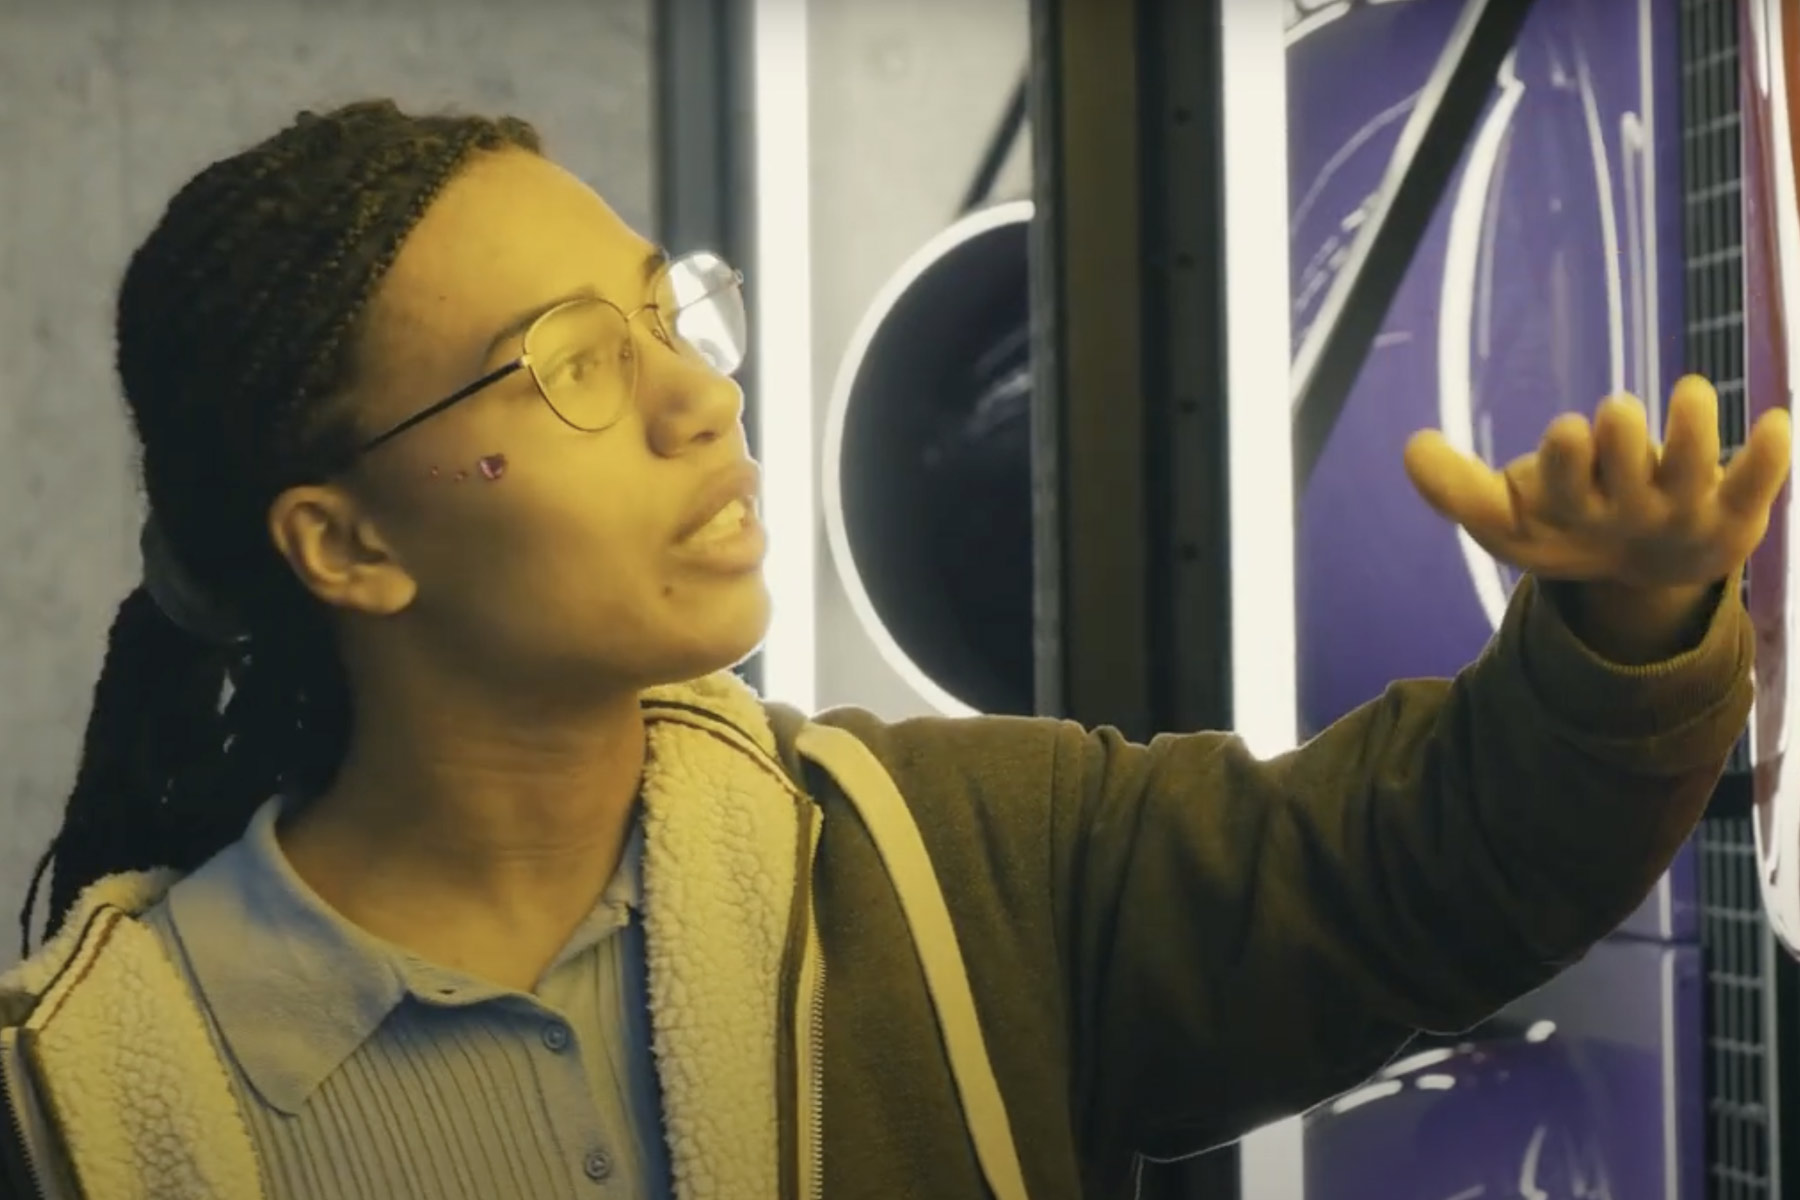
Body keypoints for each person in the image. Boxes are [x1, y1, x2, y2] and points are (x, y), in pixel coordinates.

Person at [0, 100, 1785, 1200]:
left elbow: (1422, 879)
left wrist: (1623, 624)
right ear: (349, 543)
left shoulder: (951, 868)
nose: (704, 396)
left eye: (668, 315)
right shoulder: (77, 1111)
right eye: (575, 364)